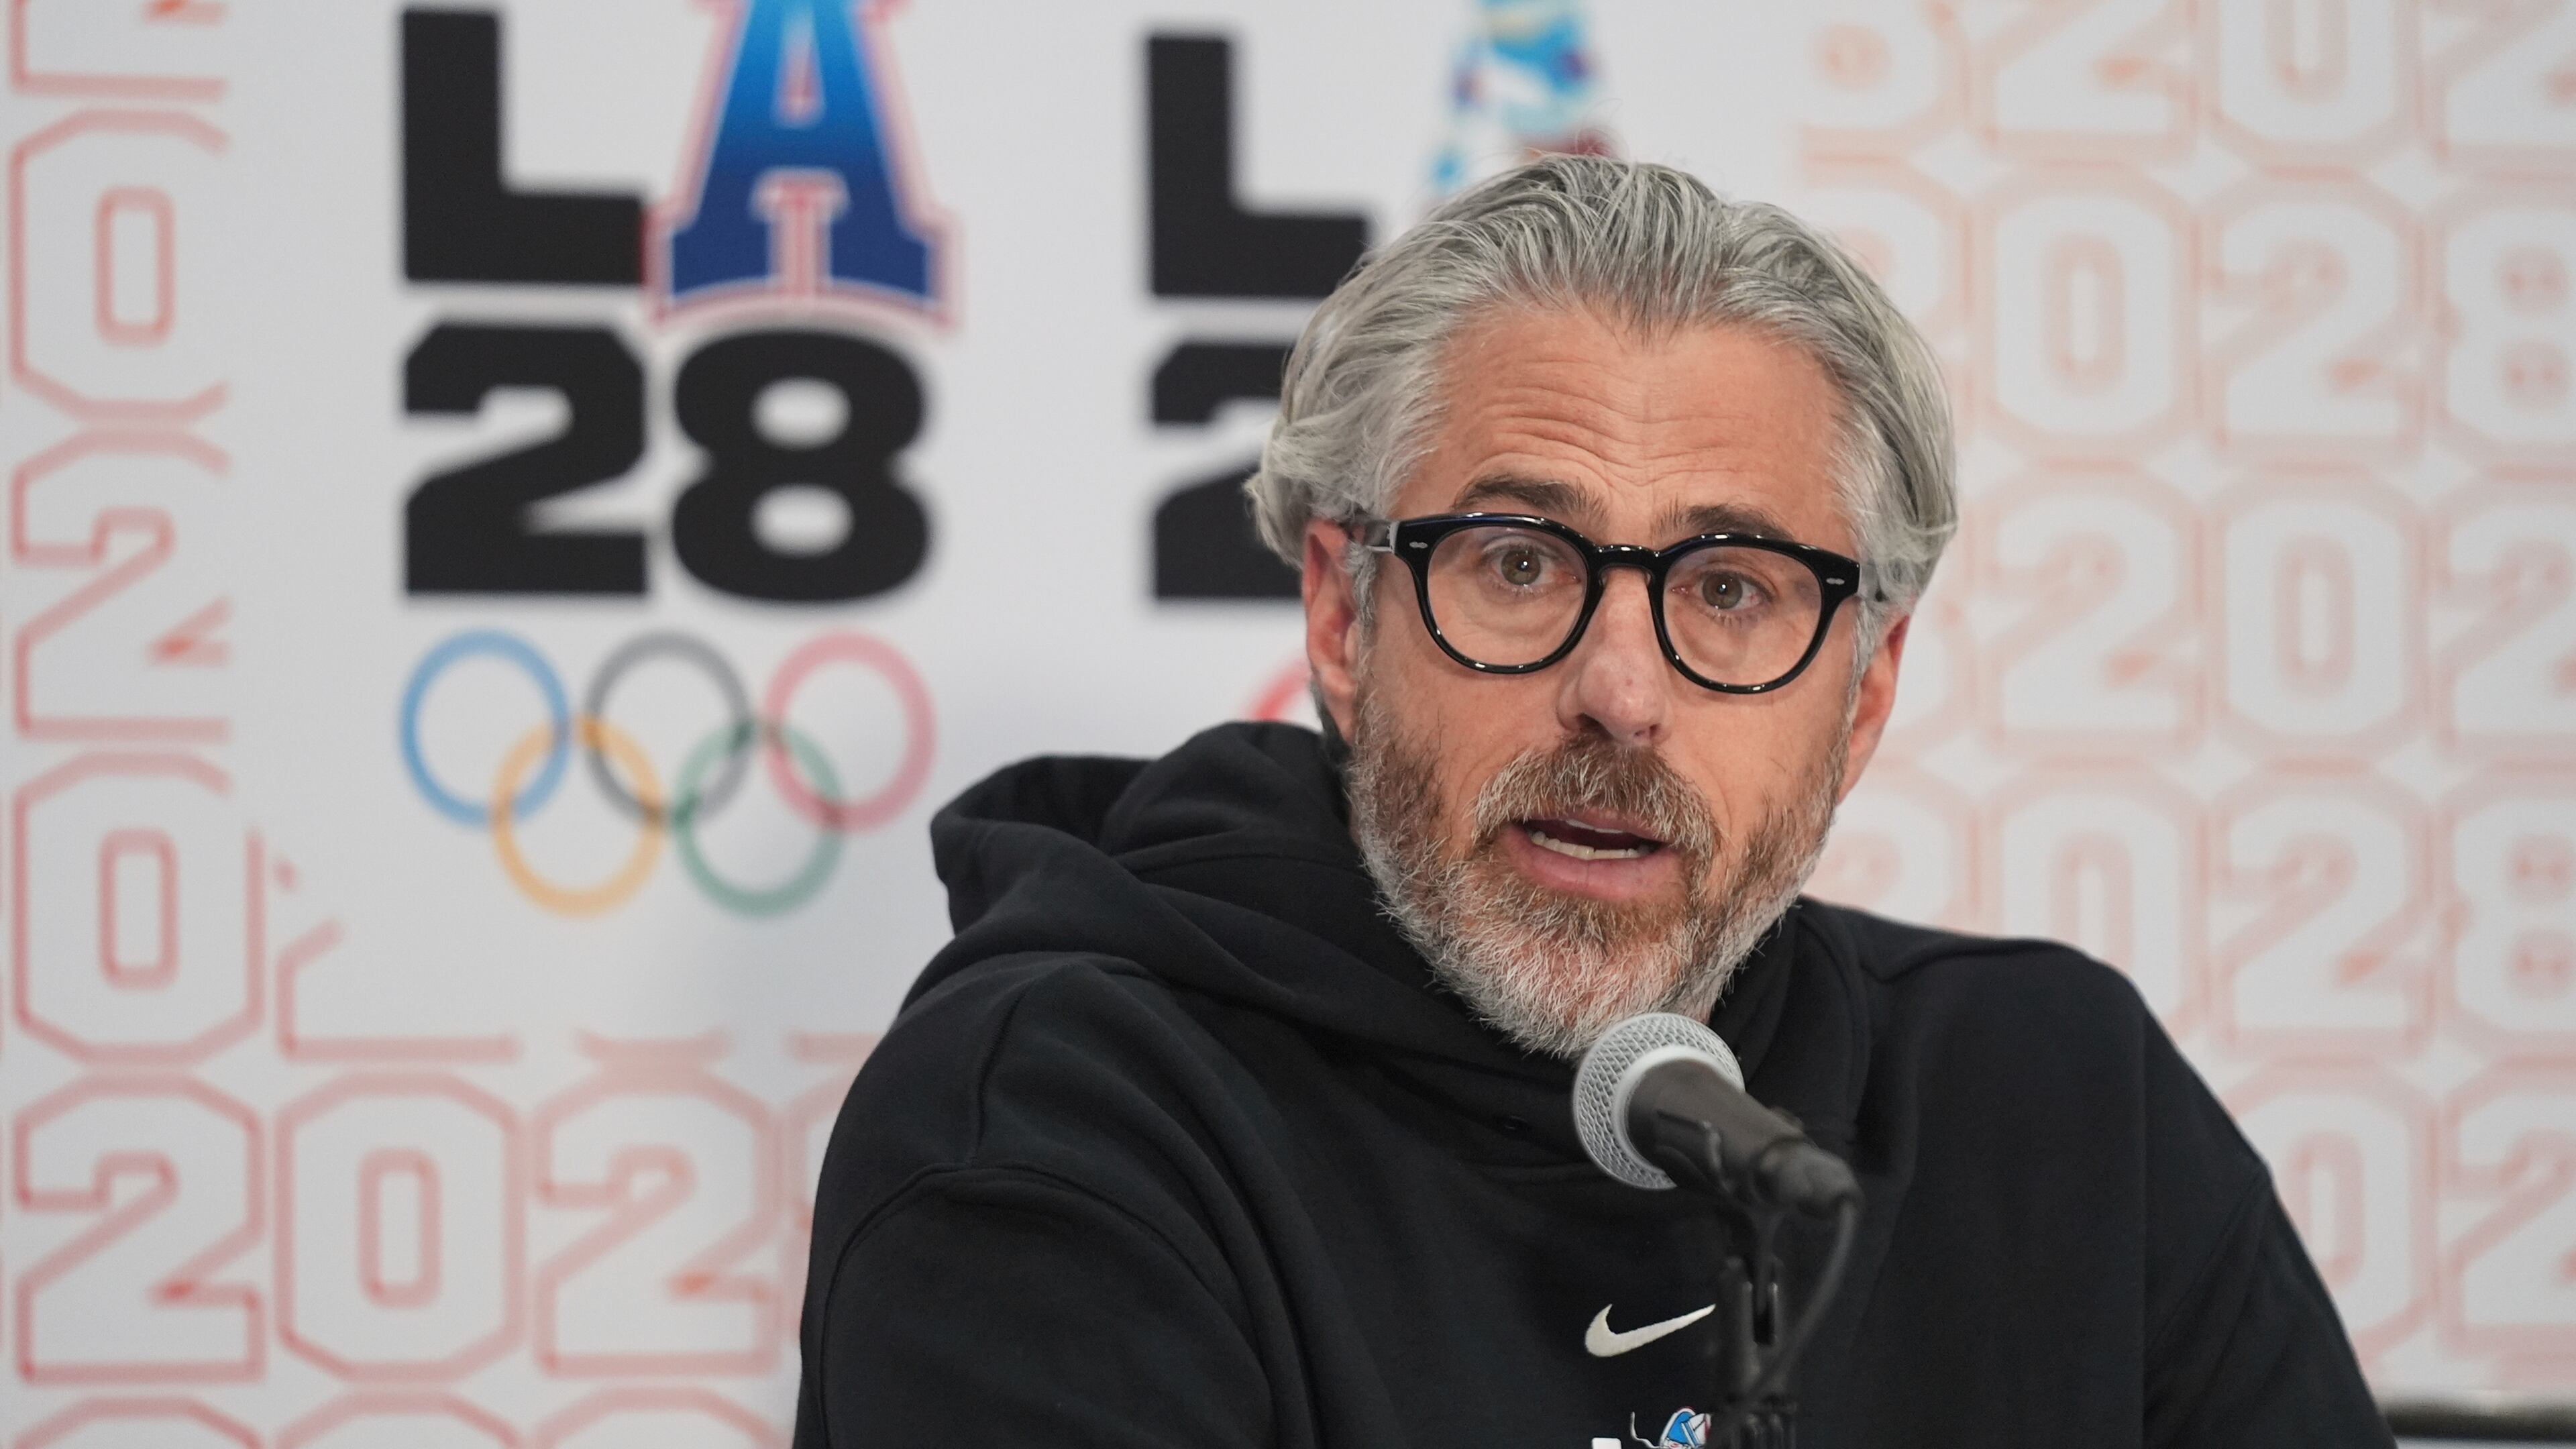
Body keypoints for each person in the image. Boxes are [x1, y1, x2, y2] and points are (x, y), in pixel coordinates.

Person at [790, 156, 2390, 1448]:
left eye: (1735, 590)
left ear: (1869, 692)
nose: (1621, 693)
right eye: (1518, 563)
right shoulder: (1060, 1123)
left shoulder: (2050, 1099)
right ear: (1347, 619)